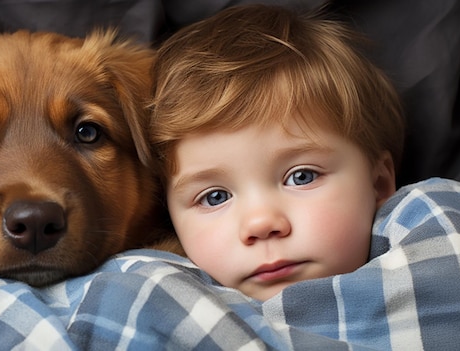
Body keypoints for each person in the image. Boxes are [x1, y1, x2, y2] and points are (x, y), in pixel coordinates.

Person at [148, 4, 406, 301]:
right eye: (214, 197)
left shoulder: (435, 245)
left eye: (301, 177)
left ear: (378, 183)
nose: (261, 224)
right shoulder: (156, 296)